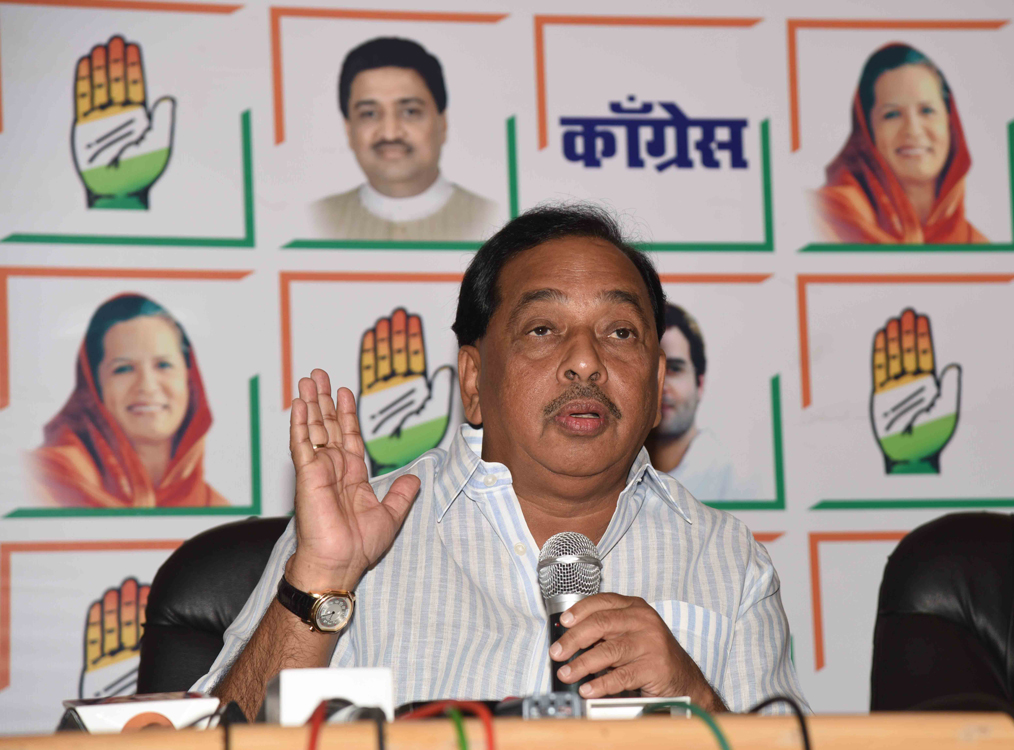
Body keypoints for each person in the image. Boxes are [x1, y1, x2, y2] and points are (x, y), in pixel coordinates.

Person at [194, 205, 804, 719]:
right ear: (474, 380)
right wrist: (321, 583)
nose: (586, 362)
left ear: (654, 389)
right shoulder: (362, 530)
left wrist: (695, 699)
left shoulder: (727, 557)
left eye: (621, 332)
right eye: (542, 329)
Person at [31, 294, 227, 508]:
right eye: (123, 369)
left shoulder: (217, 511)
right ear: (94, 387)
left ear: (190, 380)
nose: (147, 385)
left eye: (163, 365)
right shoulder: (42, 482)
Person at [312, 37, 502, 241]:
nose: (390, 133)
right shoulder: (320, 216)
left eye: (410, 112)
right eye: (369, 114)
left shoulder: (492, 219)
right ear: (348, 130)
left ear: (442, 123)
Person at [812, 43, 987, 244]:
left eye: (927, 111)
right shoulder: (822, 219)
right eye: (892, 114)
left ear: (950, 122)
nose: (912, 129)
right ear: (867, 131)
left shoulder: (978, 247)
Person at [644, 304, 740, 500]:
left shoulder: (732, 479)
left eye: (674, 369)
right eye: (649, 368)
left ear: (700, 383)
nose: (660, 384)